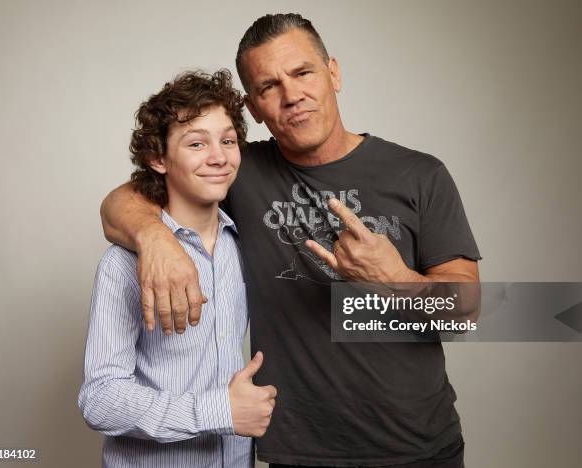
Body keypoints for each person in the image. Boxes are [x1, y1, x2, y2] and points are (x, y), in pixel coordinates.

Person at [100, 14, 481, 468]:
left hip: (419, 448)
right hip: (301, 452)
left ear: (333, 73)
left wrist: (393, 278)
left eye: (303, 73)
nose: (292, 96)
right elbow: (123, 199)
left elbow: (465, 313)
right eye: (268, 87)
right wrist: (154, 238)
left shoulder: (420, 174)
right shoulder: (237, 170)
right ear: (254, 108)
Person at [78, 70, 277, 468]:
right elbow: (99, 399)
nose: (218, 157)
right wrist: (218, 410)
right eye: (197, 143)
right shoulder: (126, 262)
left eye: (227, 141)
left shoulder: (245, 247)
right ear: (158, 158)